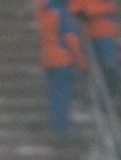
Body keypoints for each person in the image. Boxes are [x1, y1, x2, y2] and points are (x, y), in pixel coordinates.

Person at [36, 0, 86, 137]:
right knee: (63, 94)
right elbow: (70, 38)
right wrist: (81, 61)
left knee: (55, 94)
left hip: (48, 59)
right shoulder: (62, 13)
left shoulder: (44, 11)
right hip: (63, 58)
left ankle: (57, 124)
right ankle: (62, 128)